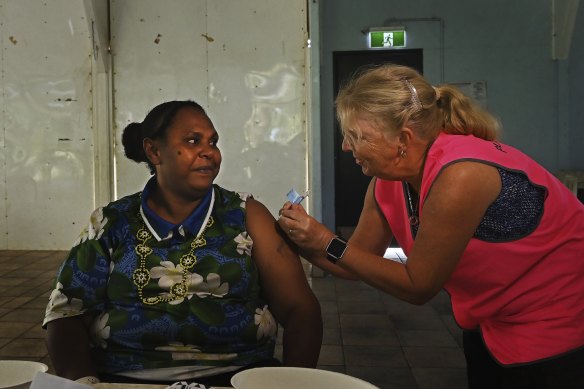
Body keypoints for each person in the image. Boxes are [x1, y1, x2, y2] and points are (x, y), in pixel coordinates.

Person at [277, 64, 584, 389]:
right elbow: (355, 264)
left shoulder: (461, 174)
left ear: (402, 140)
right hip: (490, 322)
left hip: (557, 322)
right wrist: (292, 239)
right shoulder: (390, 181)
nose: (346, 147)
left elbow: (418, 286)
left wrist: (326, 241)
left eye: (357, 137)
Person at [44, 100, 322, 387]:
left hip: (238, 378)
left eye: (213, 142)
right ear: (154, 151)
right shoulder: (112, 222)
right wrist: (86, 383)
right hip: (126, 379)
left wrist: (292, 383)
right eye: (193, 141)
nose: (209, 152)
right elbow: (65, 314)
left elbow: (301, 311)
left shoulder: (247, 216)